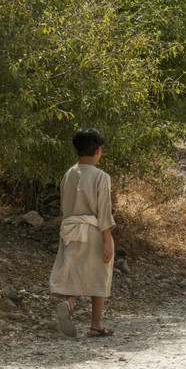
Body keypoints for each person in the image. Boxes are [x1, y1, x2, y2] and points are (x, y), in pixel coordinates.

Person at [50, 128, 116, 338]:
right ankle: (95, 325)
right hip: (94, 230)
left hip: (70, 230)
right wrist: (107, 239)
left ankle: (69, 304)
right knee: (99, 274)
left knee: (76, 270)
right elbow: (104, 210)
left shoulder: (69, 174)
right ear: (98, 151)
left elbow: (64, 205)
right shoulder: (101, 177)